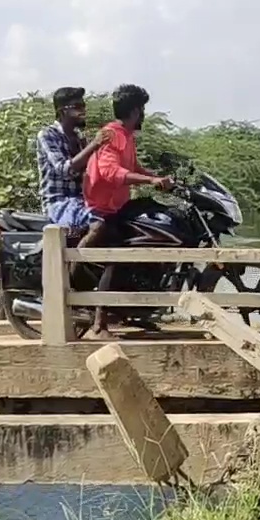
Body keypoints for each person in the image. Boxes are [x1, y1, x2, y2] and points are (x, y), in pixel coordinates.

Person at [81, 83, 175, 337]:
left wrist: (158, 178)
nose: (143, 114)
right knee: (119, 258)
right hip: (103, 209)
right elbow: (111, 172)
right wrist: (149, 181)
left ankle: (136, 312)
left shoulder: (127, 135)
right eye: (142, 109)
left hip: (118, 206)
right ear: (134, 111)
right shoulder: (112, 135)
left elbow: (135, 167)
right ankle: (99, 325)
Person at [35, 86, 110, 242]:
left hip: (81, 201)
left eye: (83, 106)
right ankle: (72, 265)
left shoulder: (78, 139)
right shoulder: (48, 135)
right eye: (77, 107)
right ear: (63, 111)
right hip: (59, 202)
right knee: (98, 224)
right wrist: (94, 145)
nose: (83, 111)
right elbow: (64, 169)